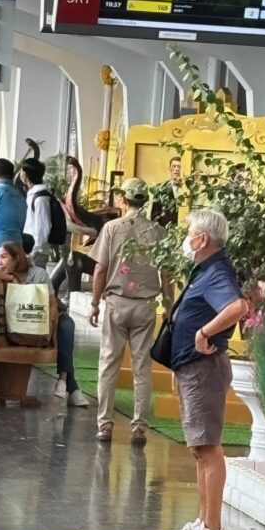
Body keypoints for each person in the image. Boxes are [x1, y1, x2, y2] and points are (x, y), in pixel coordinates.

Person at [163, 209, 247, 530]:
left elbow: (237, 307)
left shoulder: (217, 272)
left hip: (204, 368)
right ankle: (203, 521)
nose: (188, 237)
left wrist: (204, 331)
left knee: (209, 448)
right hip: (191, 367)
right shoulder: (206, 270)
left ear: (203, 240)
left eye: (190, 232)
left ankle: (212, 528)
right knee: (200, 449)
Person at [88, 178, 172, 445]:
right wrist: (169, 305)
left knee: (108, 365)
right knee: (141, 368)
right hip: (146, 306)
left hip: (116, 303)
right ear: (145, 201)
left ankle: (105, 425)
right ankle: (139, 427)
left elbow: (100, 269)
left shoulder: (112, 228)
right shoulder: (159, 232)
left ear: (123, 200)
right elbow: (167, 274)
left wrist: (94, 302)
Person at [0, 241, 87, 407]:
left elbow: (51, 304)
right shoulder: (2, 272)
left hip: (49, 316)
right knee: (65, 333)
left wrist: (51, 330)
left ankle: (63, 378)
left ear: (17, 258)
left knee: (66, 327)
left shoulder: (38, 273)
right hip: (21, 324)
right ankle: (70, 385)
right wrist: (9, 277)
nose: (0, 261)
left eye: (4, 257)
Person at [20, 158, 66, 269]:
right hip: (30, 250)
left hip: (36, 252)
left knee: (36, 285)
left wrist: (35, 251)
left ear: (25, 175)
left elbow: (43, 227)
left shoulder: (41, 197)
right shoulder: (33, 194)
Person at [151, 155, 182, 228]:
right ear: (169, 168)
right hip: (165, 229)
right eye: (174, 166)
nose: (176, 169)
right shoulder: (160, 188)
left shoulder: (187, 188)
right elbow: (155, 214)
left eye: (179, 167)